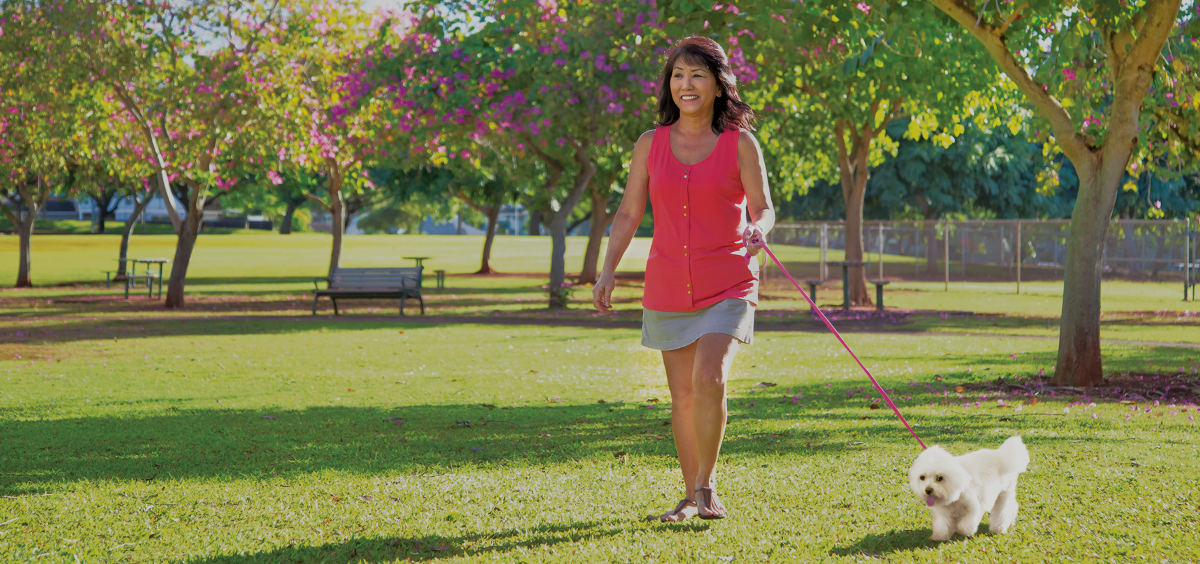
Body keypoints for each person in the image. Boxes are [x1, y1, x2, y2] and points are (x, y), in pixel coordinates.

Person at [592, 35, 774, 522]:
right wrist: (607, 270)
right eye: (678, 75)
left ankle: (706, 487)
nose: (686, 84)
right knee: (684, 395)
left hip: (729, 280)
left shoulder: (740, 143)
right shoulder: (650, 144)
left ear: (718, 85)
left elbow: (764, 207)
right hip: (669, 284)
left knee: (708, 376)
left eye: (697, 75)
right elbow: (630, 212)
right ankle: (690, 497)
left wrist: (760, 228)